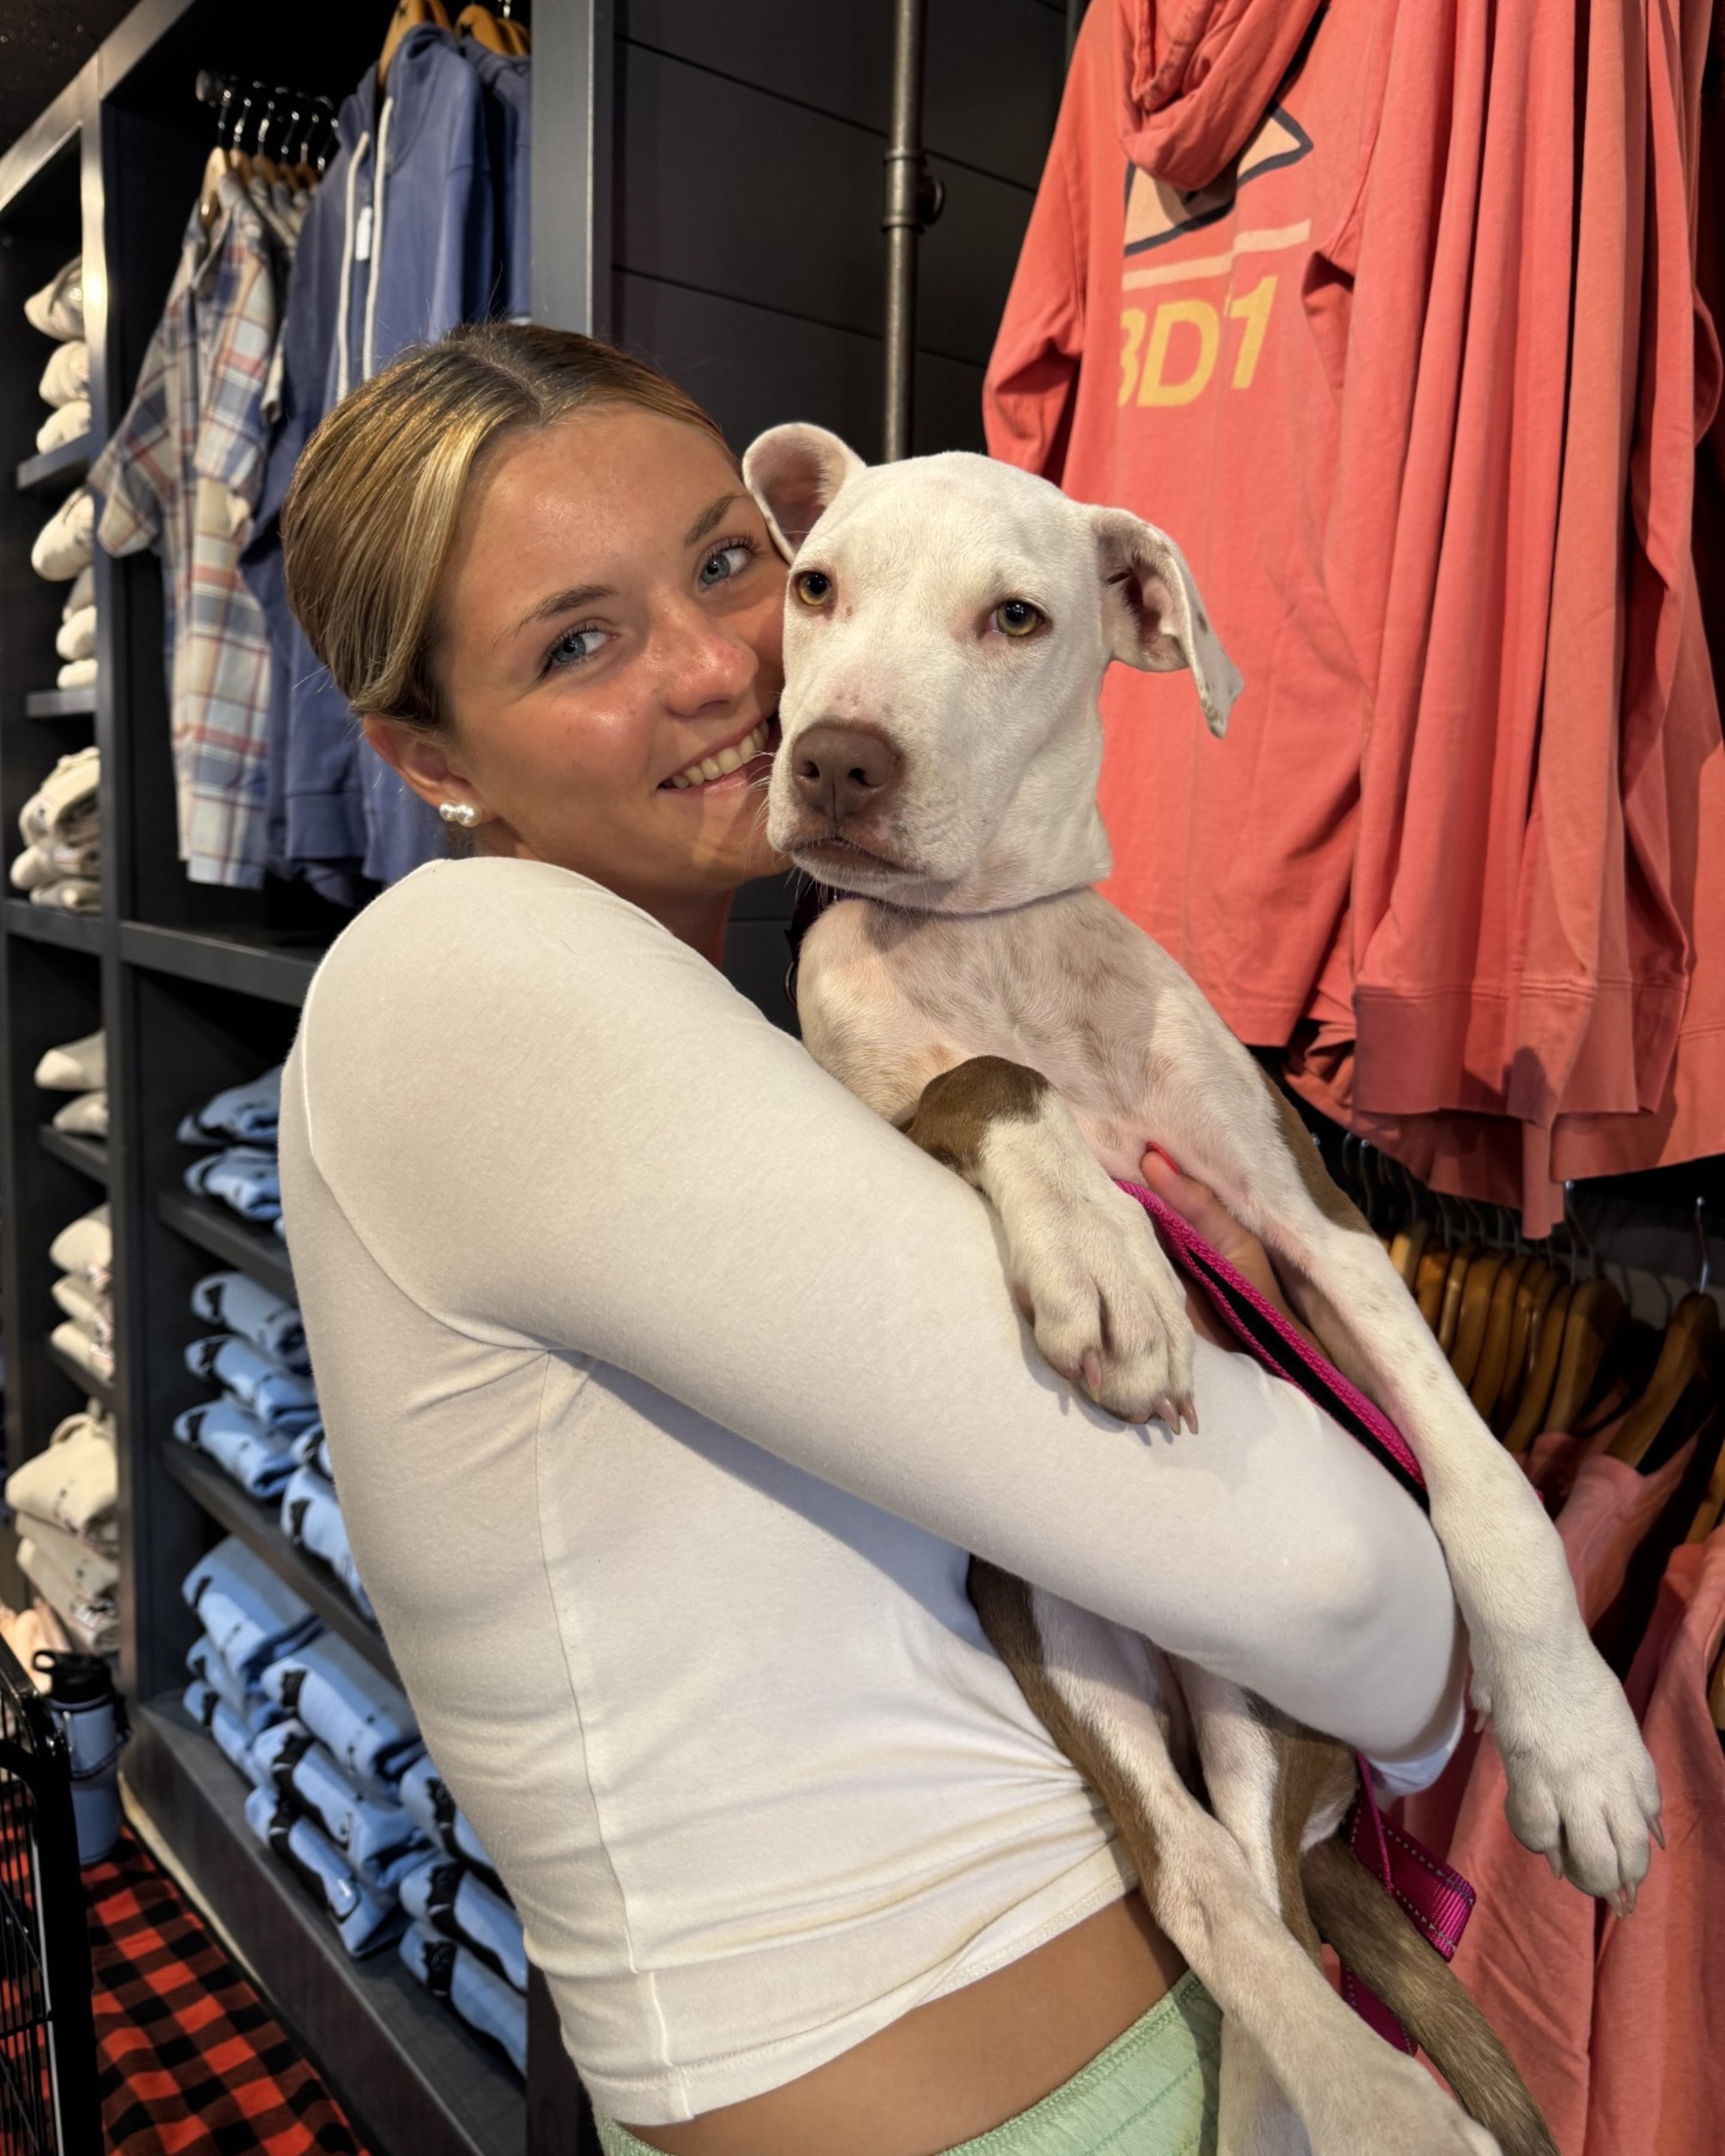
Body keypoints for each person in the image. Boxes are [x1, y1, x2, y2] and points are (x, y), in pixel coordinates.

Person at [277, 322, 1465, 2156]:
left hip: (1165, 2037)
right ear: (422, 753)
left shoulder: (752, 1038)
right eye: (577, 643)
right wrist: (1440, 1661)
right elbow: (1336, 1592)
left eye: (733, 566)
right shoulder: (467, 979)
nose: (718, 669)